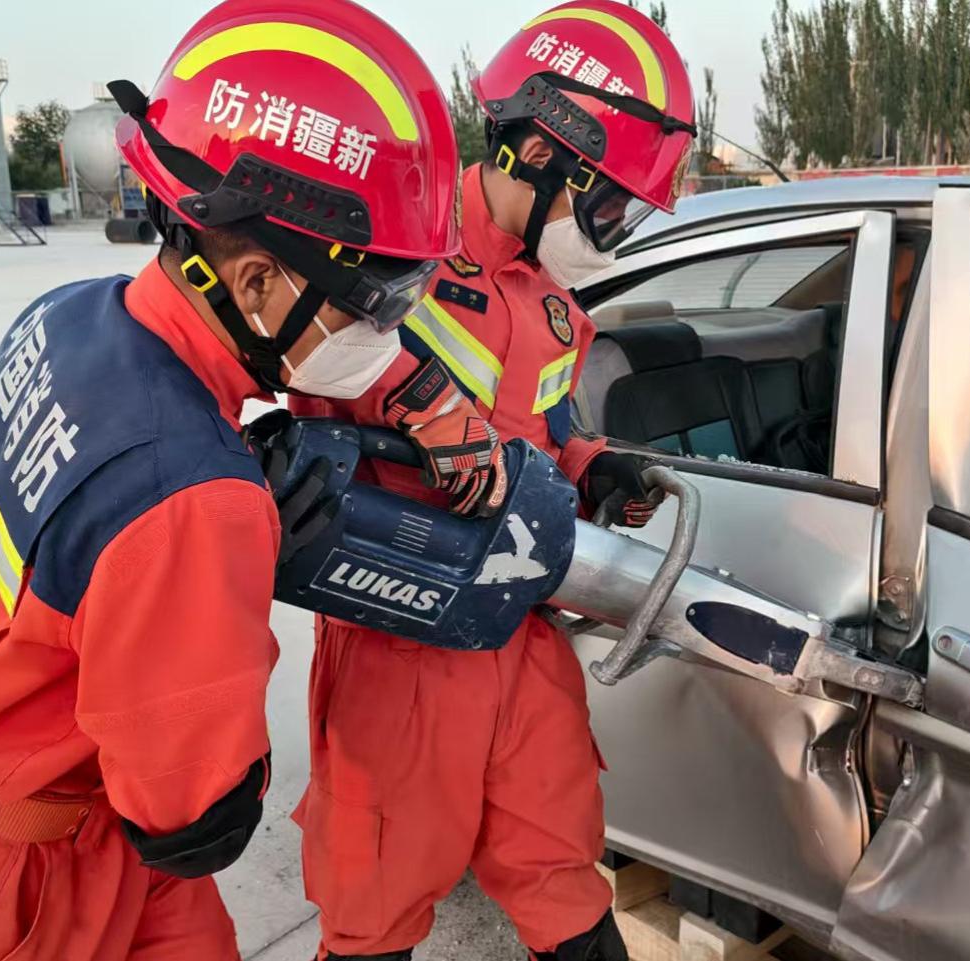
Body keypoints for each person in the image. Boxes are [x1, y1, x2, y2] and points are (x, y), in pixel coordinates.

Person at [0, 3, 500, 959]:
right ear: (260, 282)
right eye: (382, 302)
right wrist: (222, 575)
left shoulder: (65, 315)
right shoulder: (195, 499)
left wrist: (405, 392)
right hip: (5, 900)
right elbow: (193, 818)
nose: (387, 334)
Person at [288, 4, 697, 957]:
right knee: (375, 896)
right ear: (547, 153)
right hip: (401, 626)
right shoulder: (388, 248)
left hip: (518, 629)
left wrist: (597, 471)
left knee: (561, 867)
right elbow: (293, 349)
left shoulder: (557, 312)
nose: (612, 229)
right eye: (611, 201)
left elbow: (547, 435)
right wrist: (422, 400)